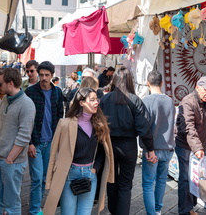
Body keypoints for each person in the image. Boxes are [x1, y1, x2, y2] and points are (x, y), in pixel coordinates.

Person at [43, 88, 114, 215]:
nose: (96, 102)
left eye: (96, 99)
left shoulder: (100, 124)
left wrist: (95, 169)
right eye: (92, 100)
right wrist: (49, 179)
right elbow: (53, 153)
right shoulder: (65, 124)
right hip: (69, 174)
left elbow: (103, 151)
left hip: (90, 174)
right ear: (81, 102)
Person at [99, 66, 155, 215]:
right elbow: (143, 127)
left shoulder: (105, 99)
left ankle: (113, 210)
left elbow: (98, 124)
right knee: (125, 184)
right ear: (130, 81)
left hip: (109, 144)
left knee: (111, 180)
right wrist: (150, 148)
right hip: (128, 145)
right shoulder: (134, 100)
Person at [0, 68, 35, 215]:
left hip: (12, 162)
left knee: (11, 204)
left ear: (10, 83)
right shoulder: (5, 100)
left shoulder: (27, 104)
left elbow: (24, 135)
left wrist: (10, 158)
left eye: (0, 83)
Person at [25, 61, 64, 215]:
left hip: (51, 142)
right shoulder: (30, 92)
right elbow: (26, 120)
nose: (43, 78)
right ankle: (34, 210)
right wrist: (29, 143)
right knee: (36, 178)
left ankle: (37, 207)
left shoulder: (57, 92)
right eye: (41, 75)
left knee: (43, 178)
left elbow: (60, 115)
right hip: (35, 141)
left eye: (47, 75)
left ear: (52, 75)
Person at [175, 76, 206, 215]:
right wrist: (197, 147)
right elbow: (189, 127)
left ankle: (190, 206)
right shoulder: (188, 101)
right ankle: (185, 211)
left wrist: (201, 145)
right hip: (185, 145)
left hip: (198, 144)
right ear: (198, 87)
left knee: (195, 177)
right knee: (186, 179)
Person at [141, 70, 176, 215]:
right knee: (161, 181)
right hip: (167, 148)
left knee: (148, 184)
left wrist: (148, 149)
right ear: (162, 83)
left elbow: (144, 128)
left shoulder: (145, 101)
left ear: (148, 83)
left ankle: (152, 213)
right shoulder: (169, 100)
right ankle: (158, 210)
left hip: (151, 149)